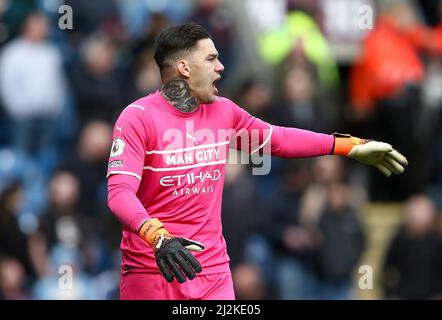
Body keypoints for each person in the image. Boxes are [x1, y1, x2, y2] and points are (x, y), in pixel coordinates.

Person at [106, 22, 408, 300]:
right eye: (211, 59)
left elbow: (279, 140)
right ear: (184, 67)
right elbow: (119, 194)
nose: (221, 67)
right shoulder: (138, 118)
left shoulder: (223, 112)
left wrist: (350, 146)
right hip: (153, 271)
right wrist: (158, 237)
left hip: (212, 273)